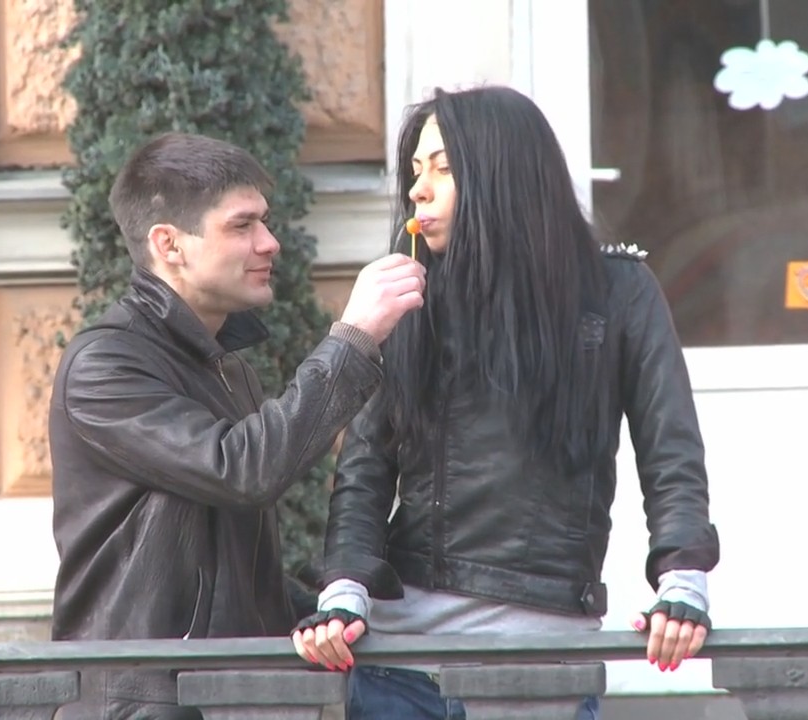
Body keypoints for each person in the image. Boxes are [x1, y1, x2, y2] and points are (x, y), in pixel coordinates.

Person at [290, 86, 721, 720]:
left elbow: (671, 451)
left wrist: (683, 584)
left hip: (540, 665)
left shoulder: (617, 292)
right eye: (415, 171)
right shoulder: (409, 293)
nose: (418, 191)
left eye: (442, 169)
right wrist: (344, 589)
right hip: (399, 667)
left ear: (503, 174)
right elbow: (365, 467)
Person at [48, 131, 427, 720]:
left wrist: (311, 613)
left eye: (264, 222)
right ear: (168, 244)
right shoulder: (105, 365)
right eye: (242, 225)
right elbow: (243, 470)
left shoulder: (226, 368)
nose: (270, 242)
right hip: (147, 701)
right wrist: (353, 338)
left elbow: (229, 562)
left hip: (218, 694)